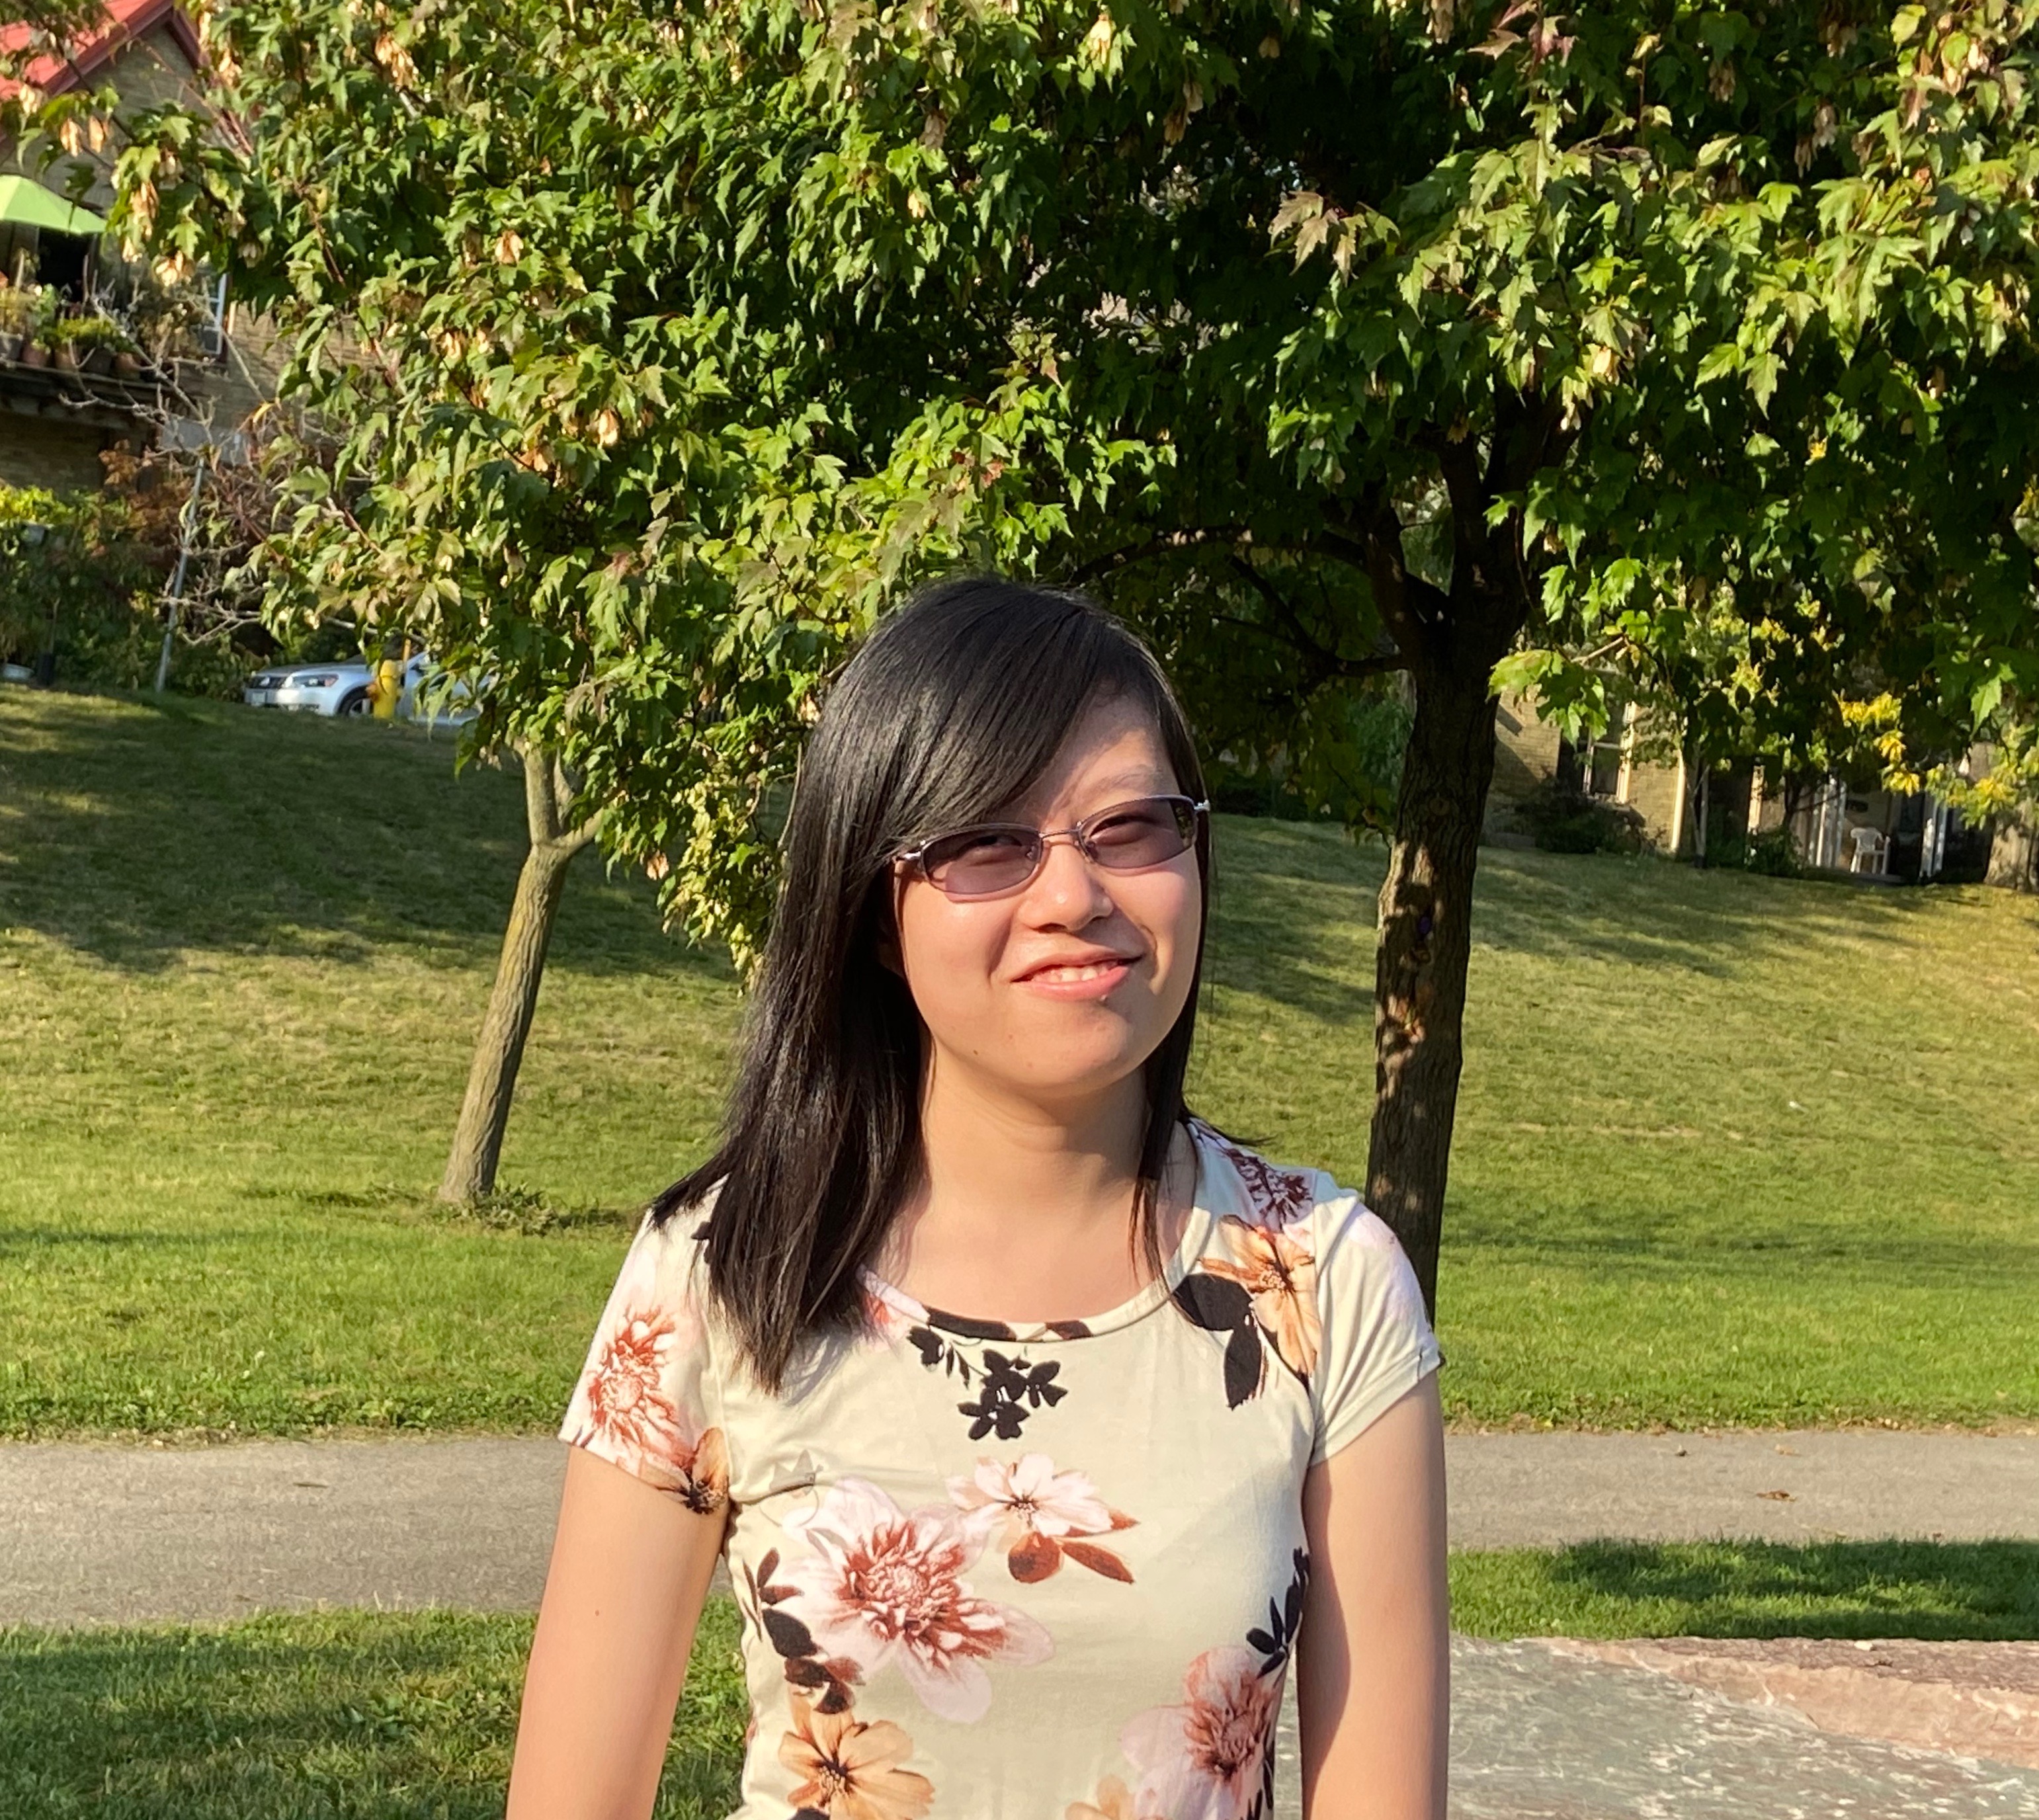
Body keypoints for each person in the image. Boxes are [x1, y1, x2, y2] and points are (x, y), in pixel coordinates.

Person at [507, 577, 1448, 1820]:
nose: (1075, 895)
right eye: (985, 842)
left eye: (1133, 828)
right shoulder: (724, 1267)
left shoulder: (1327, 1278)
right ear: (878, 915)